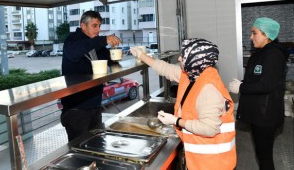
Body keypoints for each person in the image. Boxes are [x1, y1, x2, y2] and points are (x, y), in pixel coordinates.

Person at [131, 38, 236, 170]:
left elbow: (209, 129)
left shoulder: (208, 90)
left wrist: (176, 121)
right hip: (200, 159)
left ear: (195, 60)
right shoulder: (193, 75)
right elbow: (166, 69)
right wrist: (141, 55)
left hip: (212, 163)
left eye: (184, 55)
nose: (179, 58)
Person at [229, 17, 289, 170]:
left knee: (264, 157)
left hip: (266, 115)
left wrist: (242, 87)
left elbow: (267, 85)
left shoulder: (274, 55)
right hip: (258, 114)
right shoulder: (259, 54)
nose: (250, 37)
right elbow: (254, 79)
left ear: (266, 34)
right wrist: (242, 83)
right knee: (261, 154)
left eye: (254, 33)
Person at [60, 10, 121, 142]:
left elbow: (108, 59)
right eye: (94, 26)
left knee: (97, 146)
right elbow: (75, 53)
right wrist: (104, 39)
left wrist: (115, 55)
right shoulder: (72, 40)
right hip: (76, 109)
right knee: (80, 152)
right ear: (83, 26)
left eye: (99, 26)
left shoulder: (95, 42)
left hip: (95, 106)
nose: (98, 29)